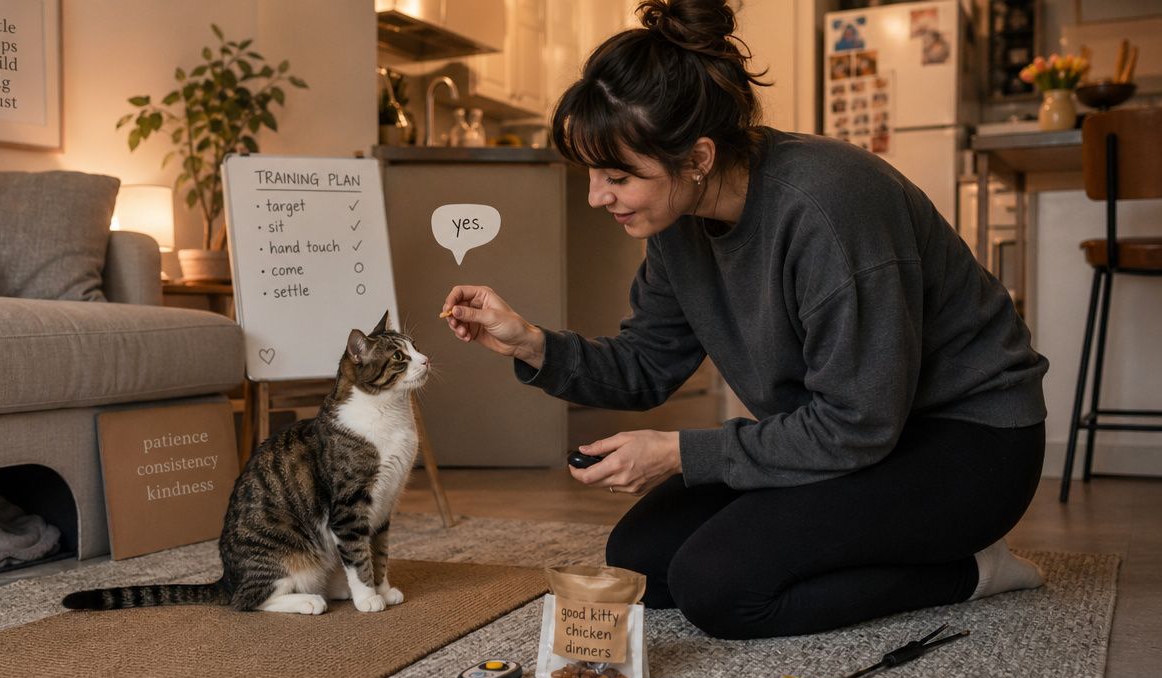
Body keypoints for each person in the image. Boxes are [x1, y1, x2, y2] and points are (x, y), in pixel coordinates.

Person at [440, 0, 1048, 640]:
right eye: (594, 173)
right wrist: (529, 343)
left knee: (721, 589)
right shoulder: (678, 226)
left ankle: (971, 570)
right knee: (643, 563)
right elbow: (646, 367)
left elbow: (857, 424)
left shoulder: (828, 208)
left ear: (698, 158)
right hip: (853, 435)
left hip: (967, 447)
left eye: (619, 175)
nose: (597, 196)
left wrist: (679, 452)